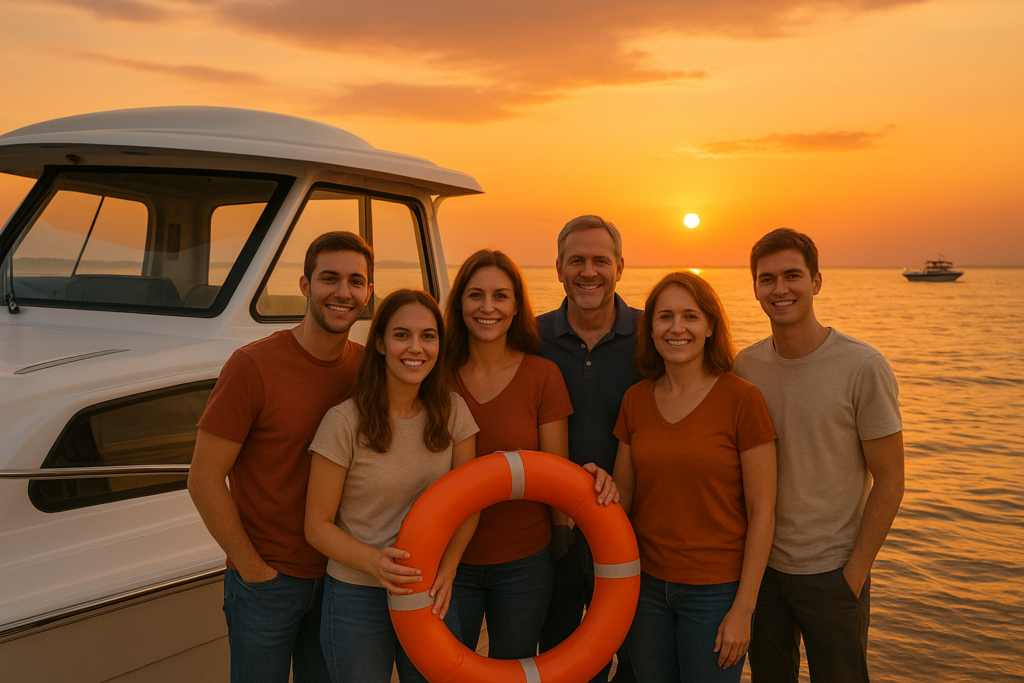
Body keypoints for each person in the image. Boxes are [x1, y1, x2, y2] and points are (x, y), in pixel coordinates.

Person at [188, 231, 373, 683]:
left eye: (356, 281)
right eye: (329, 278)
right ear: (306, 286)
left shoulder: (369, 370)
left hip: (339, 579)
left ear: (369, 293)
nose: (343, 292)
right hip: (267, 583)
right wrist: (253, 570)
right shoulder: (252, 366)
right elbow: (204, 479)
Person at [733, 228, 905, 683]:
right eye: (767, 279)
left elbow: (890, 480)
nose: (780, 289)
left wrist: (854, 576)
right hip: (762, 572)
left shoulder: (863, 367)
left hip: (834, 575)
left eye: (792, 275)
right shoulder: (743, 368)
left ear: (816, 281)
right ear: (754, 287)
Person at [443, 249, 617, 660]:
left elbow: (554, 475)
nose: (488, 307)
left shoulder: (542, 375)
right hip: (449, 560)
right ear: (459, 303)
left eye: (501, 296)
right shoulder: (436, 374)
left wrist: (561, 540)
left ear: (517, 305)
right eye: (476, 295)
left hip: (524, 564)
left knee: (516, 667)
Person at [304, 289, 479, 683]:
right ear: (380, 343)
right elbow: (316, 526)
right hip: (355, 596)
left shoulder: (454, 413)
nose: (416, 348)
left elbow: (469, 505)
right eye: (402, 335)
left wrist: (449, 569)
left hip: (432, 589)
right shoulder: (343, 422)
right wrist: (374, 563)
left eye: (428, 336)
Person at [612, 271, 777, 682]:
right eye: (665, 317)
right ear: (650, 330)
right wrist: (594, 480)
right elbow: (623, 498)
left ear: (709, 327)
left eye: (690, 316)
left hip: (716, 593)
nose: (677, 328)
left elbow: (763, 512)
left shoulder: (742, 399)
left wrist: (743, 609)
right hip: (645, 588)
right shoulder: (635, 400)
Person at [537, 215, 642, 681]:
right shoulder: (530, 337)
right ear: (558, 268)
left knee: (638, 663)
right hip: (552, 535)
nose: (588, 272)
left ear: (620, 266)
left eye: (601, 260)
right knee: (562, 662)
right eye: (576, 260)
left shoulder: (653, 337)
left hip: (631, 531)